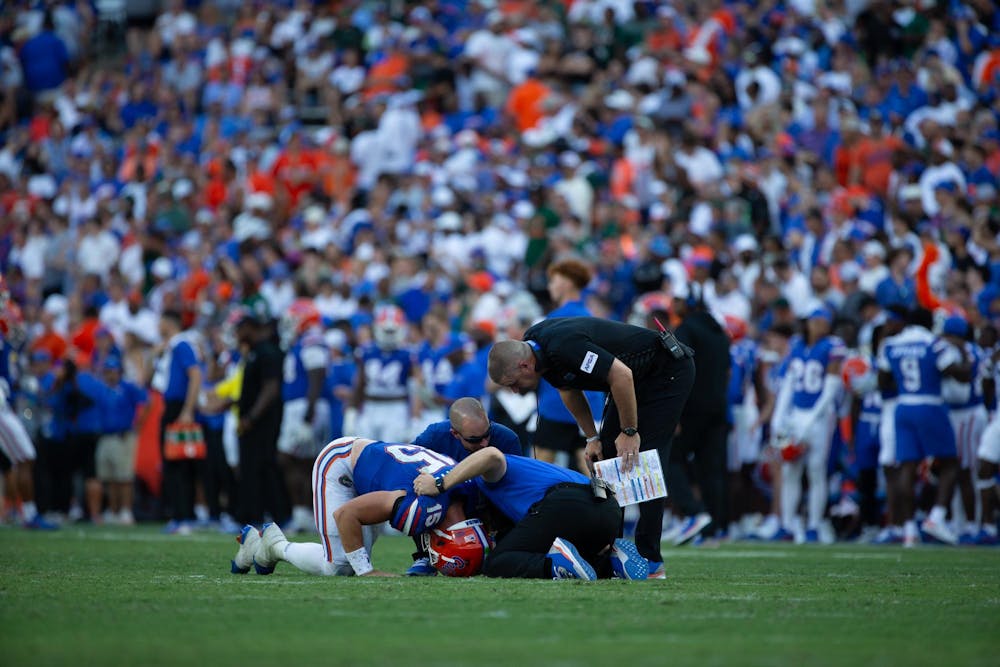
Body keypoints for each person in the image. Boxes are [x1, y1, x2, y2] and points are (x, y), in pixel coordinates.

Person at [487, 316, 695, 579]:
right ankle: (612, 550)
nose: (515, 391)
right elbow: (568, 389)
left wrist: (629, 431)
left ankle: (650, 559)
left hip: (666, 372)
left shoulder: (564, 346)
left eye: (513, 383)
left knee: (642, 460)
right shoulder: (537, 345)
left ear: (524, 365)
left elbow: (621, 375)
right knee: (606, 460)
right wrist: (591, 438)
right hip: (633, 379)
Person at [231, 437, 475, 577]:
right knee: (340, 567)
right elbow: (346, 514)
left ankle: (267, 547)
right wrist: (365, 571)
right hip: (341, 465)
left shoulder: (464, 487)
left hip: (373, 462)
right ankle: (273, 545)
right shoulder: (417, 507)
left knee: (349, 556)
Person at [413, 446, 648, 580]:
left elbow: (490, 454)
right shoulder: (531, 471)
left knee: (497, 563)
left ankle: (554, 565)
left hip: (565, 504)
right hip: (607, 507)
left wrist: (441, 483)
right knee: (569, 555)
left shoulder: (488, 475)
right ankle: (611, 563)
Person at [877, 307, 967, 547]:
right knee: (950, 463)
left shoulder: (891, 345)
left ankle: (908, 530)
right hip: (930, 404)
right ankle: (936, 517)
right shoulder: (934, 344)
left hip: (903, 406)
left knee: (907, 467)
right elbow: (958, 374)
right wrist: (963, 354)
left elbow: (882, 381)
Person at [404, 396, 521, 575]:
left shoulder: (507, 438)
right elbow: (407, 467)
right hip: (447, 504)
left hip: (490, 502)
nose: (485, 443)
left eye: (487, 434)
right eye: (475, 439)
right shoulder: (435, 436)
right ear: (455, 434)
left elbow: (513, 490)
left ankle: (496, 544)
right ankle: (425, 554)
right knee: (418, 485)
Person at [771, 307, 845, 543]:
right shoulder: (797, 346)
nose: (816, 326)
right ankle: (787, 524)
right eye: (813, 321)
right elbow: (788, 385)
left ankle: (813, 525)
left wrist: (812, 419)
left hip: (820, 416)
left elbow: (831, 387)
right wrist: (779, 418)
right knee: (790, 469)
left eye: (820, 321)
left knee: (816, 470)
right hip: (796, 415)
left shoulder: (833, 346)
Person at [667, 287, 732, 544]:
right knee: (712, 469)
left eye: (678, 300)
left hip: (692, 408)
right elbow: (727, 373)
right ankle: (715, 526)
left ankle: (695, 514)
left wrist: (676, 412)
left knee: (669, 459)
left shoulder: (686, 330)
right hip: (718, 407)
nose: (674, 305)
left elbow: (679, 371)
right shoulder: (720, 333)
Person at [532, 259, 604, 473]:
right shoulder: (592, 317)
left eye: (553, 281)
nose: (549, 286)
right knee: (592, 468)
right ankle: (609, 506)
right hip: (591, 405)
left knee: (541, 466)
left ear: (566, 282)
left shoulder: (552, 320)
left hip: (557, 404)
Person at [276, 299, 330, 533]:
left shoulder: (312, 340)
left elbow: (316, 375)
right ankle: (304, 514)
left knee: (293, 459)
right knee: (304, 462)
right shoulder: (302, 341)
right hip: (302, 406)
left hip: (305, 407)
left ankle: (305, 513)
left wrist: (308, 415)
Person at [150, 309, 203, 533]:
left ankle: (183, 517)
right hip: (173, 406)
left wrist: (188, 409)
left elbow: (195, 374)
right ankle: (180, 515)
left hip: (178, 408)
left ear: (168, 322)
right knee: (173, 463)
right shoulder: (172, 346)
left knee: (177, 463)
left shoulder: (182, 345)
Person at [235, 312, 287, 528]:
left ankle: (273, 515)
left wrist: (251, 417)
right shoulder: (255, 352)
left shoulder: (267, 352)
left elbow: (270, 388)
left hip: (263, 422)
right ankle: (254, 514)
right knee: (251, 467)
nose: (237, 335)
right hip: (254, 421)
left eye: (239, 329)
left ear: (249, 327)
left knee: (263, 466)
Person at [93, 355, 148, 525]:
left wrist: (137, 425)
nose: (110, 375)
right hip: (105, 436)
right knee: (109, 477)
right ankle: (113, 510)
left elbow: (147, 402)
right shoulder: (102, 389)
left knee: (124, 477)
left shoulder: (127, 387)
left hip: (123, 435)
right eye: (107, 371)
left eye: (113, 371)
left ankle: (125, 511)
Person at [352, 304, 419, 443]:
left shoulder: (408, 354)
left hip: (396, 409)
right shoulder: (366, 351)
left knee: (391, 453)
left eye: (392, 331)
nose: (389, 335)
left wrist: (414, 419)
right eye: (386, 331)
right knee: (364, 452)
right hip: (370, 407)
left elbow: (415, 389)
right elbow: (359, 384)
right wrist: (351, 411)